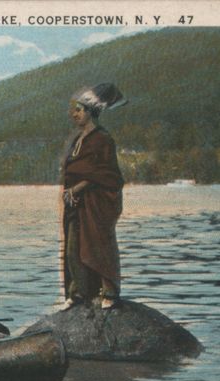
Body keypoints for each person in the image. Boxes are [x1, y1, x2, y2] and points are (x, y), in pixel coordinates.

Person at [60, 83, 127, 311]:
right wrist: (70, 192)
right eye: (75, 110)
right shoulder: (79, 139)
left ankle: (109, 291)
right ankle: (78, 292)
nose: (75, 114)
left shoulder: (102, 139)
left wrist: (77, 189)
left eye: (79, 110)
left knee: (98, 246)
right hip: (76, 205)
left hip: (96, 204)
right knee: (73, 249)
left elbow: (105, 173)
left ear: (90, 112)